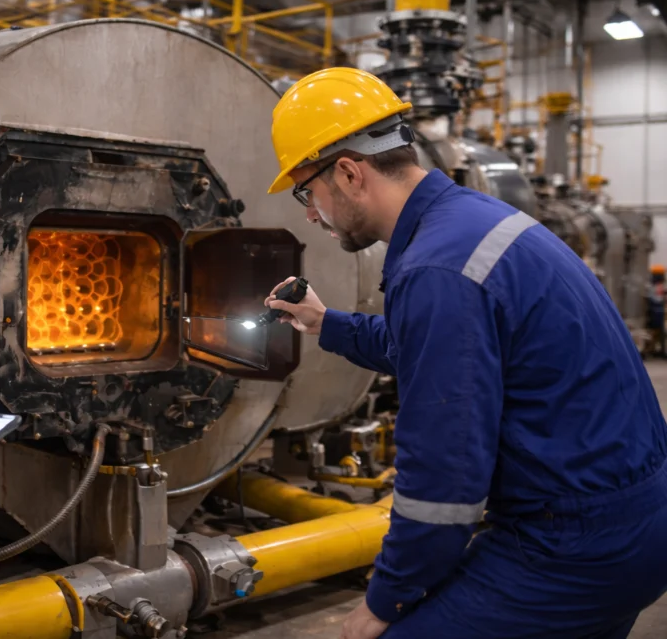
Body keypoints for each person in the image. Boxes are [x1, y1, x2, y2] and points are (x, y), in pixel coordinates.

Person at [263, 67, 667, 639]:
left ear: (349, 173)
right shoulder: (470, 223)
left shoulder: (437, 267)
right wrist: (326, 323)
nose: (309, 212)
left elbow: (442, 483)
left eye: (306, 191)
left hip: (577, 545)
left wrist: (384, 601)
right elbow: (439, 352)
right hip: (636, 514)